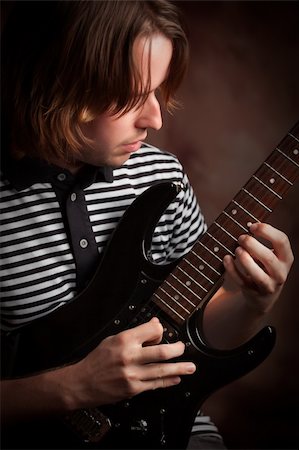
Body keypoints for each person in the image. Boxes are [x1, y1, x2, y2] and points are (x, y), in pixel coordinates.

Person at [0, 1, 294, 449]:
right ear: (55, 84)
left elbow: (190, 340)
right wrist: (72, 387)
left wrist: (247, 301)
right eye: (130, 97)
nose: (155, 119)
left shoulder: (164, 177)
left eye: (157, 92)